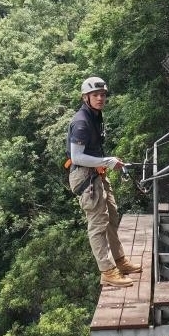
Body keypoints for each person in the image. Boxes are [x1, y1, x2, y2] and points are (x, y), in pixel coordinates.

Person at [67, 76, 143, 288]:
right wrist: (107, 161)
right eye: (95, 95)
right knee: (98, 223)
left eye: (103, 95)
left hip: (96, 173)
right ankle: (107, 271)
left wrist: (106, 163)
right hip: (85, 176)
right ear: (85, 98)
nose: (100, 98)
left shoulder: (96, 115)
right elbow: (77, 157)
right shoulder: (82, 122)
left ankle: (120, 262)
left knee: (111, 215)